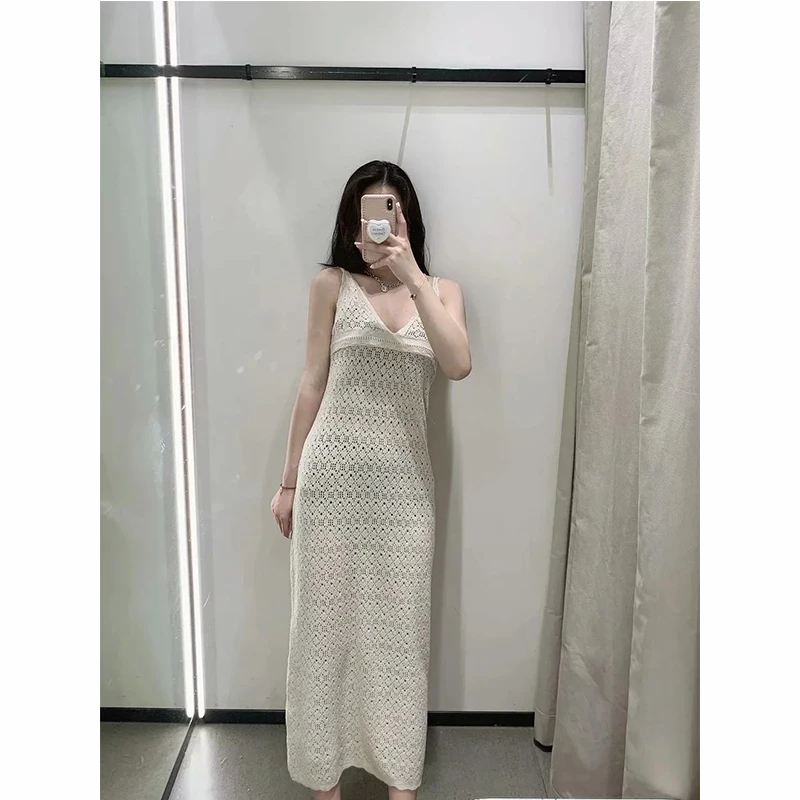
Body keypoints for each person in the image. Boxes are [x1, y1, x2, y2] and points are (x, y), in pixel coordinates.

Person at [271, 160, 472, 800]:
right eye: (370, 212)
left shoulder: (442, 291)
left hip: (406, 491)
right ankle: (323, 780)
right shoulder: (331, 284)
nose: (382, 225)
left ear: (408, 219)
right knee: (322, 633)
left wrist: (411, 275)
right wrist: (289, 482)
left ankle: (399, 782)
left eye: (392, 211)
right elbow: (312, 381)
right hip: (330, 484)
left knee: (399, 637)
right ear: (353, 220)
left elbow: (458, 364)